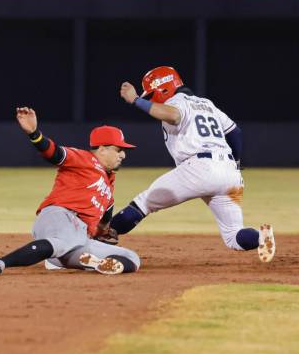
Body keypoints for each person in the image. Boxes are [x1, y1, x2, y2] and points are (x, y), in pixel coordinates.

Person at [110, 66, 276, 263]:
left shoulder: (176, 102)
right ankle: (261, 237)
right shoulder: (207, 104)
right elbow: (235, 132)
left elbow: (173, 115)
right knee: (234, 236)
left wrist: (136, 100)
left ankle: (99, 236)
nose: (152, 99)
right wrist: (236, 164)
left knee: (143, 204)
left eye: (153, 94)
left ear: (164, 88)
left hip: (199, 167)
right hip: (230, 173)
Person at [0, 107, 141, 276]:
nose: (123, 156)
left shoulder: (108, 188)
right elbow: (53, 153)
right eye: (119, 150)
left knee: (131, 257)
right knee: (61, 242)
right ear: (102, 149)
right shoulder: (83, 158)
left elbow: (105, 220)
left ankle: (94, 262)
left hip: (79, 237)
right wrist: (34, 134)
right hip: (60, 216)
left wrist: (104, 232)